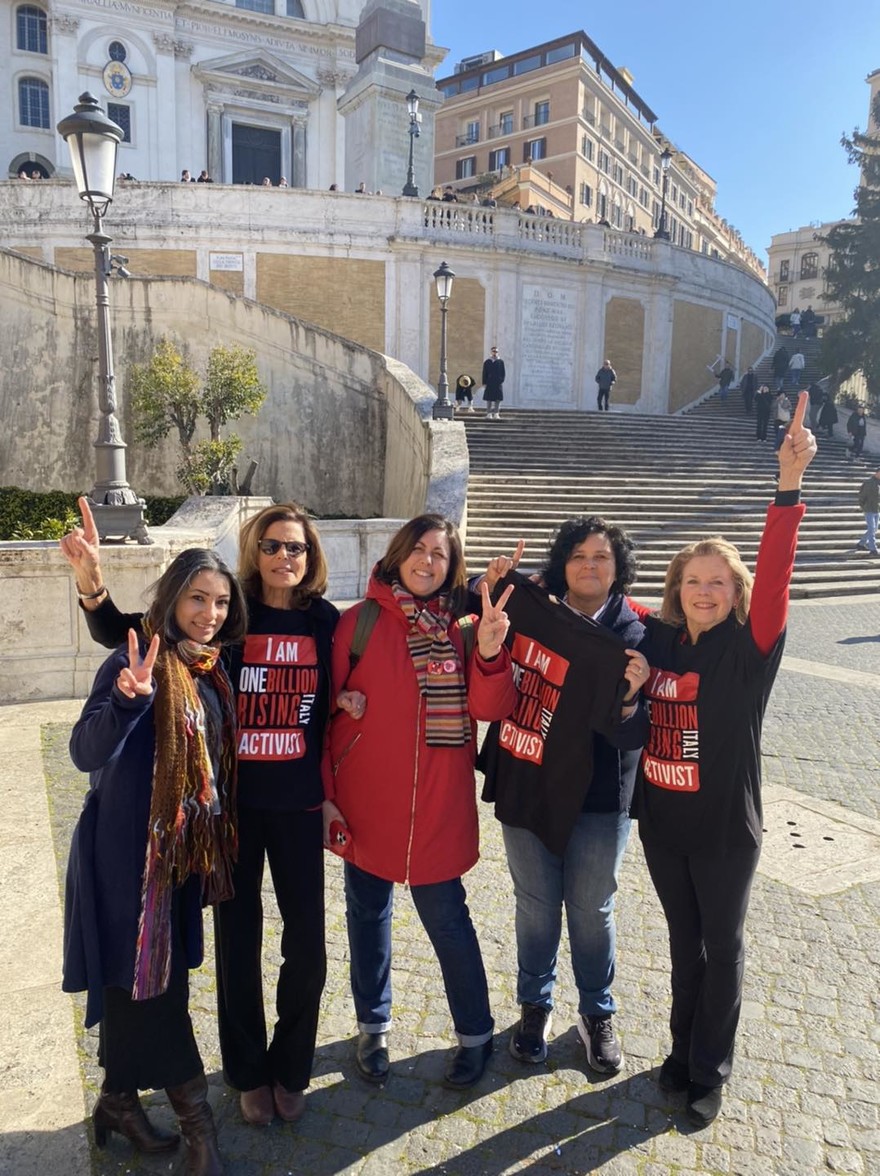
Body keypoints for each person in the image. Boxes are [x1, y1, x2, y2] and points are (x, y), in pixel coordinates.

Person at [61, 499, 339, 1128]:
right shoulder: (231, 616)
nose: (283, 556)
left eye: (295, 547)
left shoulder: (324, 621)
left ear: (310, 556)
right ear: (255, 552)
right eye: (271, 545)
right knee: (238, 946)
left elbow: (354, 681)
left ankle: (292, 1066)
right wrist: (94, 586)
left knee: (307, 947)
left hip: (298, 805)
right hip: (229, 813)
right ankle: (246, 1073)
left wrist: (351, 701)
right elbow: (137, 634)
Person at [632, 392, 817, 1128]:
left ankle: (711, 1068)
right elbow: (597, 611)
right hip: (662, 827)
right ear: (676, 590)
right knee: (684, 947)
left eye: (718, 582)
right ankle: (679, 1052)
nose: (705, 591)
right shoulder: (658, 641)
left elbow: (776, 578)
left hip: (723, 833)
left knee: (722, 946)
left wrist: (787, 487)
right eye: (693, 581)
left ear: (735, 592)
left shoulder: (749, 649)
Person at [64, 548, 248, 1175]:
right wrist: (127, 701)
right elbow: (83, 752)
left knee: (138, 985)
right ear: (170, 598)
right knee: (157, 991)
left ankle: (118, 1102)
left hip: (180, 860)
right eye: (197, 598)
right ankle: (201, 1134)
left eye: (220, 602)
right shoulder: (132, 661)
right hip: (126, 864)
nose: (209, 613)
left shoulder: (211, 669)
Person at [322, 515, 517, 1090]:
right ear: (398, 553)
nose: (427, 561)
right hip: (367, 802)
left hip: (438, 804)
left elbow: (490, 708)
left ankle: (476, 1035)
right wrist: (329, 790)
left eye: (440, 553)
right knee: (366, 917)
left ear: (452, 566)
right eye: (419, 549)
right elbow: (324, 712)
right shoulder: (357, 623)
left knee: (449, 921)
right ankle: (372, 1026)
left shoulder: (465, 629)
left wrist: (490, 652)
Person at [477, 524, 649, 1076]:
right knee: (534, 904)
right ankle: (535, 1006)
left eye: (602, 557)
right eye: (578, 556)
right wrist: (490, 582)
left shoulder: (635, 636)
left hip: (599, 800)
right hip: (528, 781)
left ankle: (598, 1013)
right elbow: (466, 605)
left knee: (593, 910)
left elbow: (636, 733)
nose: (590, 565)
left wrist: (630, 698)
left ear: (618, 569)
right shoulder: (533, 608)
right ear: (562, 565)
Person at [855, 469, 880, 555]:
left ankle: (861, 543)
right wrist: (863, 506)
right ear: (877, 472)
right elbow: (861, 495)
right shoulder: (868, 482)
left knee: (874, 529)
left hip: (877, 509)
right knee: (871, 528)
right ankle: (873, 548)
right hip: (869, 509)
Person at [482, 346, 506, 420]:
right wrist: (484, 382)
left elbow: (503, 373)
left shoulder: (501, 362)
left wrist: (501, 380)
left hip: (498, 383)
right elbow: (484, 373)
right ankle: (489, 414)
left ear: (497, 352)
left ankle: (496, 413)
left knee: (498, 399)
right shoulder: (487, 362)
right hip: (489, 383)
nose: (495, 353)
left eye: (496, 351)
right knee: (489, 399)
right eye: (493, 351)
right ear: (491, 352)